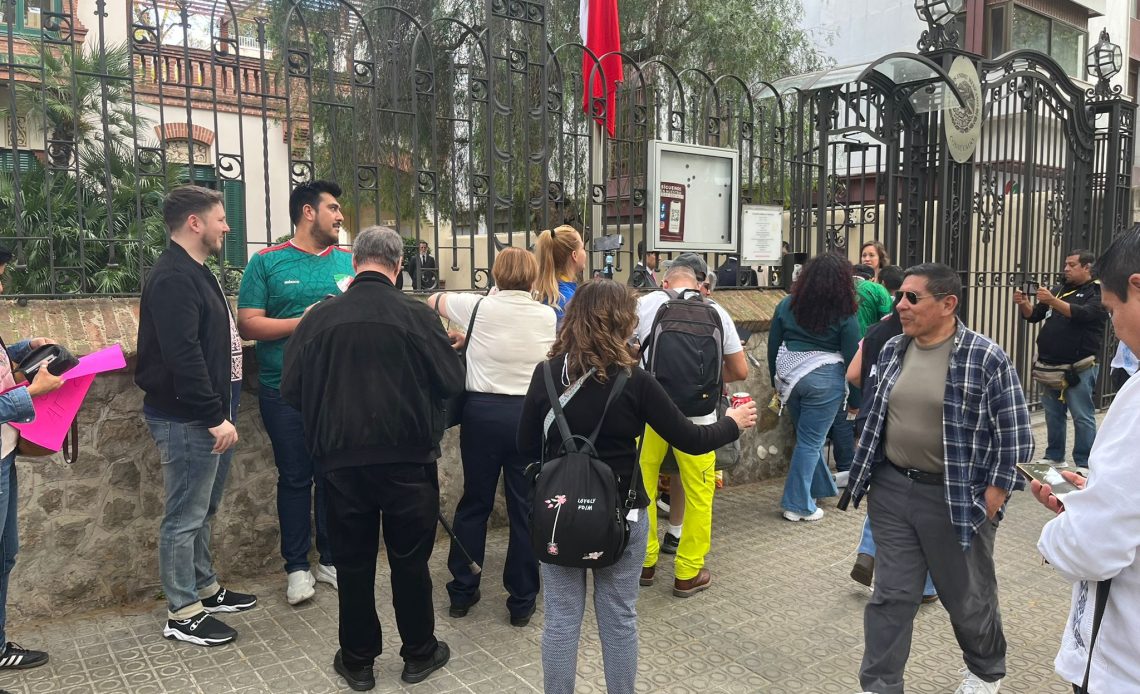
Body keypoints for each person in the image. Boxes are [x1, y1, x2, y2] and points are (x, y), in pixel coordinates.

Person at [517, 280, 756, 694]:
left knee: (560, 620)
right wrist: (732, 424)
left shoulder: (547, 375)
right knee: (619, 619)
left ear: (573, 318)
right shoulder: (636, 381)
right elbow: (690, 439)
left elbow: (524, 445)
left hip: (558, 515)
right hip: (621, 516)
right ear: (623, 321)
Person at [280, 226, 464, 690]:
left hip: (341, 462)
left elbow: (292, 389)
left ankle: (358, 661)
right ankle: (419, 653)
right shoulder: (417, 315)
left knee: (354, 563)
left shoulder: (319, 317)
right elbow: (451, 382)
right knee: (410, 561)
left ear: (355, 261)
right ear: (398, 265)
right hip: (408, 461)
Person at [842, 262, 1034, 694]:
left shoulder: (986, 357)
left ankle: (985, 672)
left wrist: (993, 498)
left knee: (966, 597)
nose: (900, 304)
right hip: (892, 492)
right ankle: (880, 685)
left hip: (956, 497)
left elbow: (1017, 437)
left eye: (913, 297)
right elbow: (876, 412)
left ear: (948, 304)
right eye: (900, 296)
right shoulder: (893, 349)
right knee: (891, 596)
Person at [136, 185, 257, 646]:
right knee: (184, 516)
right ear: (195, 223)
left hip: (210, 413)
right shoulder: (173, 277)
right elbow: (182, 354)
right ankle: (182, 611)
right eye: (220, 219)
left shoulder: (196, 269)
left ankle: (205, 588)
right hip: (188, 418)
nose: (227, 227)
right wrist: (213, 415)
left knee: (204, 508)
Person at [1032, 225, 1140, 692]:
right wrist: (1093, 496)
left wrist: (1059, 533)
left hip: (1122, 666)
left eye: (1115, 310)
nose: (1115, 326)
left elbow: (1093, 547)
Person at [427, 248, 557, 627]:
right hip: (528, 416)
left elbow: (432, 299)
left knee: (475, 502)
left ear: (496, 276)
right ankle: (521, 599)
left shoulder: (478, 307)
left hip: (481, 414)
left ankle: (462, 590)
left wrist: (472, 328)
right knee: (524, 506)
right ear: (532, 278)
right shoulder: (546, 315)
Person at [237, 180, 352, 606]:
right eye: (333, 208)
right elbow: (248, 323)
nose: (340, 216)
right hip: (283, 390)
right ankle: (297, 567)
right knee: (295, 477)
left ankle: (331, 560)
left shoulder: (350, 261)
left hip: (338, 391)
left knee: (334, 475)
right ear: (308, 212)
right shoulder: (267, 262)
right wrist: (304, 321)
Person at [635, 255, 747, 596]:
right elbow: (739, 371)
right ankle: (688, 571)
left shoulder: (645, 305)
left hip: (649, 411)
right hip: (699, 417)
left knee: (642, 486)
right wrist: (705, 381)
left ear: (665, 282)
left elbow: (623, 353)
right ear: (700, 285)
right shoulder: (716, 311)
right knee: (699, 493)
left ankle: (644, 562)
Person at [844, 284, 937, 605]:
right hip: (912, 436)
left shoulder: (875, 332)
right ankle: (926, 587)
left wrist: (874, 388)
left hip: (870, 424)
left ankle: (868, 551)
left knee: (883, 495)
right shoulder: (929, 340)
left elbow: (853, 374)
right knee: (923, 508)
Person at [0, 245, 64, 669]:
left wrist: (27, 346)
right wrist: (33, 393)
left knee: (5, 554)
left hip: (4, 455)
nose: (2, 286)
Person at [767, 253, 860, 522]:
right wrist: (856, 400)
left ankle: (818, 488)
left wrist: (776, 382)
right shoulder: (845, 313)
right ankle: (798, 505)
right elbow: (853, 357)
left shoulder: (786, 304)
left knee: (808, 438)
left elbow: (773, 345)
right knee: (811, 441)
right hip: (825, 380)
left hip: (789, 378)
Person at [1014, 250, 1108, 468]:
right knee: (1053, 414)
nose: (1066, 269)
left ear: (1087, 267)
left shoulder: (1097, 291)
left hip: (1080, 366)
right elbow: (1034, 316)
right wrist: (1023, 303)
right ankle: (1055, 456)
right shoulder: (1059, 289)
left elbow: (1083, 314)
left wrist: (1052, 301)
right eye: (1066, 264)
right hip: (1050, 366)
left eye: (1072, 265)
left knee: (1082, 416)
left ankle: (1084, 464)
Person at [533, 224, 587, 324]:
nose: (585, 252)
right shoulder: (570, 300)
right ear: (574, 255)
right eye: (582, 248)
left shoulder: (546, 291)